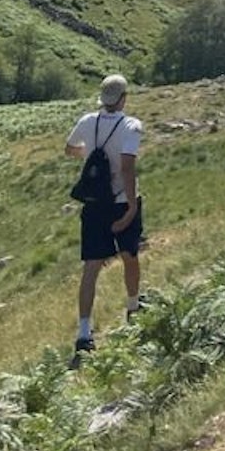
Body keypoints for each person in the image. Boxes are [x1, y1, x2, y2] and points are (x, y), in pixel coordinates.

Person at [65, 73, 144, 365]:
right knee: (129, 255)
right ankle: (133, 307)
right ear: (124, 98)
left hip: (94, 204)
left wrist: (89, 154)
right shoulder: (131, 126)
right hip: (121, 201)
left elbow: (69, 148)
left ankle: (84, 333)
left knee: (91, 268)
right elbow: (127, 168)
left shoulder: (88, 121)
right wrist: (132, 208)